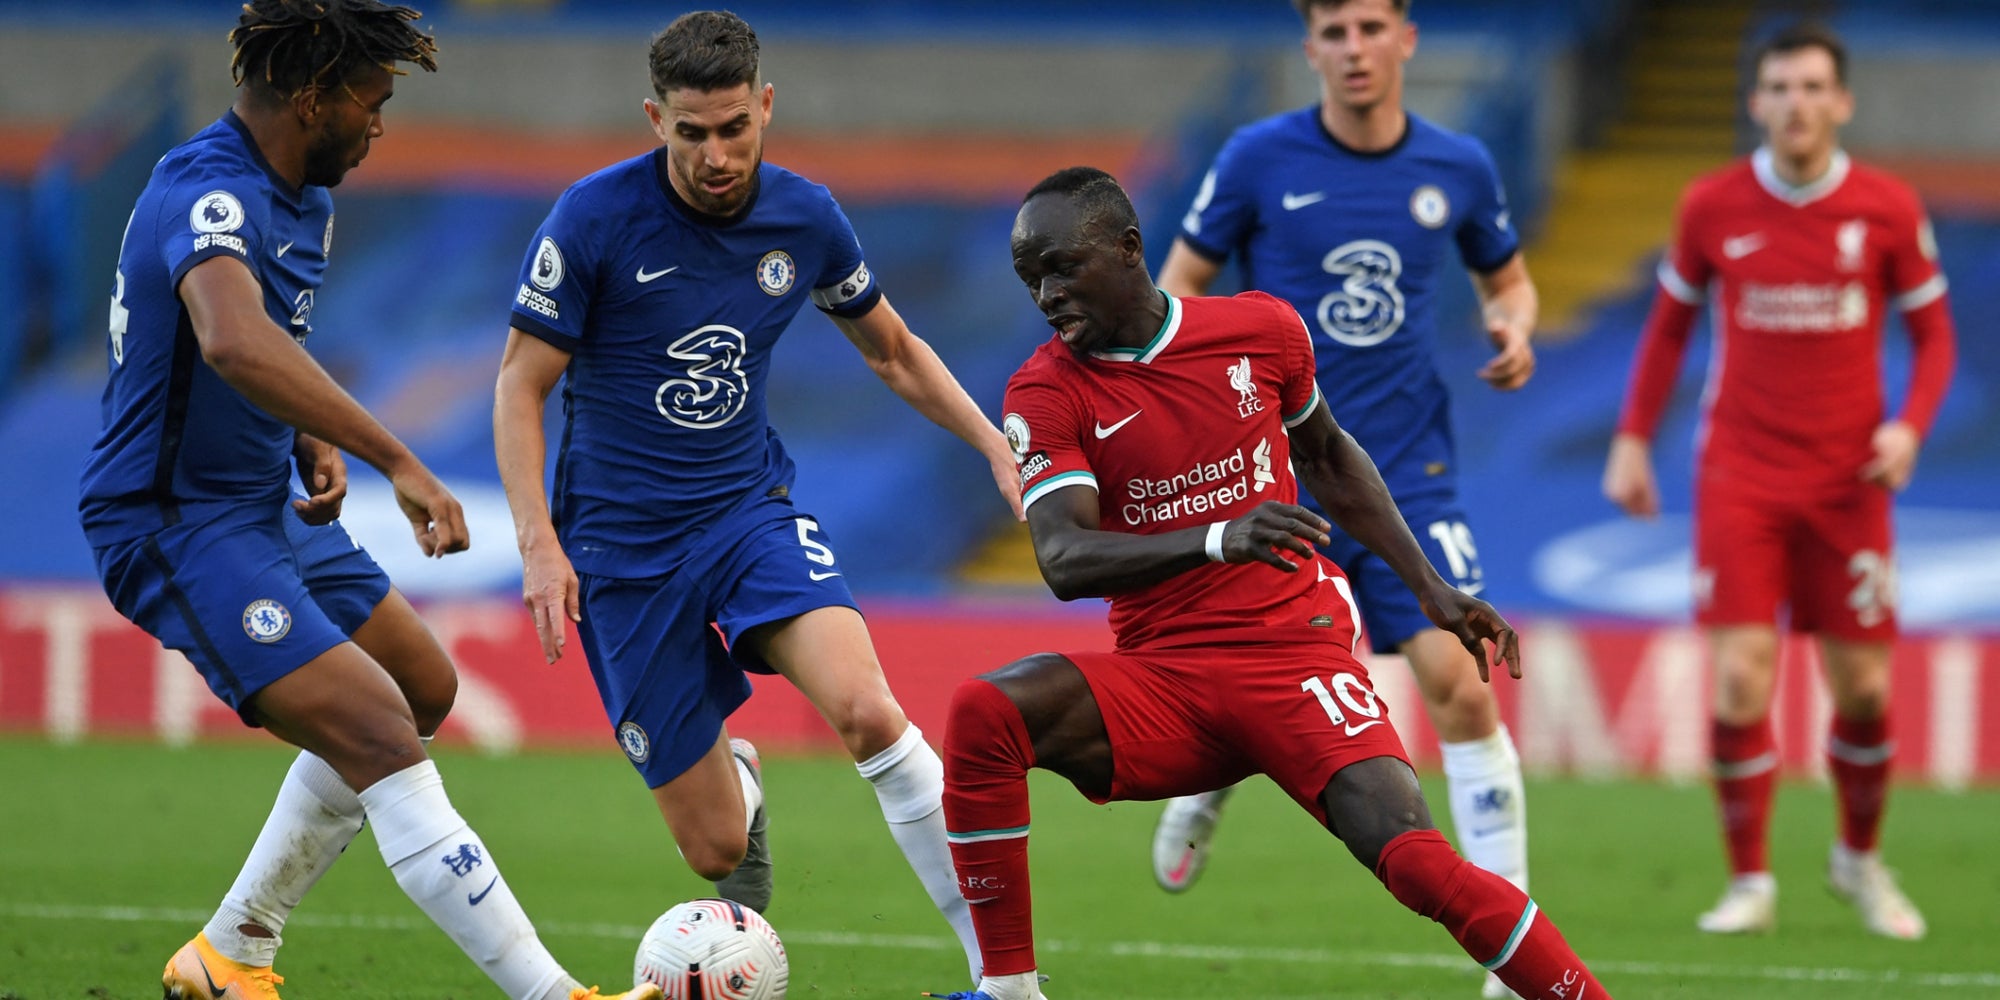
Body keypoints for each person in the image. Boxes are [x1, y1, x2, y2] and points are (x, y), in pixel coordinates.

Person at [77, 3, 661, 999]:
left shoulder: (301, 196)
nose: (380, 124)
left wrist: (302, 433)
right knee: (382, 732)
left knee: (421, 685)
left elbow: (255, 345)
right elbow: (230, 338)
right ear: (313, 99)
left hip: (258, 506)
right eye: (370, 100)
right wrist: (394, 457)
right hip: (173, 521)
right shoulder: (210, 190)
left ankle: (229, 951)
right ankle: (552, 994)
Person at [925, 165, 1608, 1000]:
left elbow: (1327, 456)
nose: (1047, 294)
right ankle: (1008, 991)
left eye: (1062, 267)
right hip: (1166, 680)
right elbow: (1064, 559)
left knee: (1415, 864)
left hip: (1292, 655)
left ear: (1129, 248)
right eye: (1031, 277)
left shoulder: (1261, 330)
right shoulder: (1045, 390)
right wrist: (1219, 537)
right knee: (985, 712)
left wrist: (1428, 587)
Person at [491, 10, 1021, 986]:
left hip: (745, 514)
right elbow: (520, 383)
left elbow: (893, 351)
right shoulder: (593, 219)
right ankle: (738, 776)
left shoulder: (804, 218)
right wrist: (537, 542)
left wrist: (992, 443)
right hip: (619, 554)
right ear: (655, 119)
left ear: (765, 106)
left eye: (734, 127)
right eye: (692, 132)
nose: (717, 155)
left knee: (868, 712)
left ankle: (1004, 978)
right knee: (714, 850)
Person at [1151, 4, 1538, 991]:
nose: (1353, 48)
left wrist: (1512, 325)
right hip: (1280, 477)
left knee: (1461, 683)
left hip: (1409, 474)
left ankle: (1508, 946)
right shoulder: (1255, 158)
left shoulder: (1458, 164)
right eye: (1333, 31)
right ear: (1310, 46)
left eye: (1370, 26)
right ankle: (1208, 785)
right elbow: (1177, 289)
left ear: (1406, 37)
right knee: (1261, 684)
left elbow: (1508, 279)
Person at [1603, 21, 1953, 940]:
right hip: (1742, 474)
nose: (1797, 104)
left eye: (1812, 88)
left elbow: (1934, 336)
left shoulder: (1885, 207)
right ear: (1756, 102)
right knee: (1739, 681)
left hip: (1850, 481)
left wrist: (1909, 427)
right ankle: (1750, 881)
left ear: (1842, 101)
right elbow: (1669, 329)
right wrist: (1632, 439)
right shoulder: (1712, 204)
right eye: (1781, 88)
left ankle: (1859, 860)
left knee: (1865, 690)